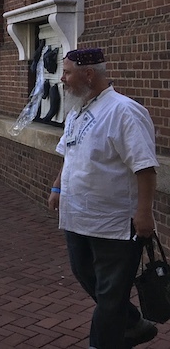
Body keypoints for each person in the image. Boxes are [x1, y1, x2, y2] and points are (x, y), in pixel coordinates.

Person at [48, 48, 159, 349]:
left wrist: (144, 213)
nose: (62, 78)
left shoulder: (124, 112)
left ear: (88, 74)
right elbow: (70, 154)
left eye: (67, 72)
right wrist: (58, 186)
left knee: (111, 293)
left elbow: (145, 168)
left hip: (114, 222)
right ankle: (133, 324)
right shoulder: (77, 111)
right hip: (77, 216)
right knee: (85, 274)